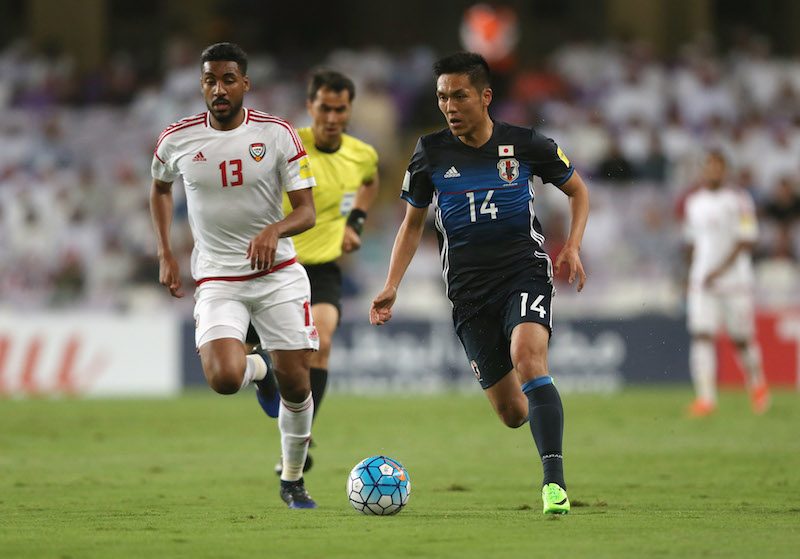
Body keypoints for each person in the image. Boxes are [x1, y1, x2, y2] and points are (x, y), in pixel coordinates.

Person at [369, 52, 589, 515]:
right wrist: (392, 284)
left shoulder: (524, 144)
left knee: (528, 357)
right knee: (512, 413)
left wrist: (571, 245)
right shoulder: (430, 152)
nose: (449, 106)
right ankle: (542, 407)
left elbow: (578, 190)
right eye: (442, 97)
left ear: (485, 96)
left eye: (459, 96)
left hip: (523, 272)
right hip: (468, 294)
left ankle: (554, 484)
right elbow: (411, 225)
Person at [149, 42, 319, 508]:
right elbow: (160, 189)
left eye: (228, 80)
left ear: (245, 83)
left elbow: (307, 212)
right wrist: (165, 252)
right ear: (201, 85)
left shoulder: (277, 134)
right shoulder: (177, 139)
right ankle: (259, 369)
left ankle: (292, 479)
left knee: (298, 385)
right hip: (219, 279)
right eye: (210, 80)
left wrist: (274, 230)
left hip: (277, 274)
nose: (219, 89)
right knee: (224, 378)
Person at [245, 70, 380, 474]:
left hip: (321, 269)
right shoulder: (287, 145)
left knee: (321, 343)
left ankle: (300, 442)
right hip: (274, 267)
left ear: (350, 110)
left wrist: (355, 223)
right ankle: (264, 374)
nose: (332, 117)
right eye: (325, 108)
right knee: (239, 357)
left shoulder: (362, 155)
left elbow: (370, 182)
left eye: (340, 109)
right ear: (310, 107)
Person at [683, 150, 769, 417]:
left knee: (741, 339)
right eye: (709, 166)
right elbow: (692, 243)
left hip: (734, 281)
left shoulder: (739, 200)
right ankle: (706, 398)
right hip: (702, 282)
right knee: (702, 335)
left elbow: (747, 239)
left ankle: (757, 384)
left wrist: (719, 270)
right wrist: (693, 272)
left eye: (718, 167)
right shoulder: (693, 202)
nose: (713, 171)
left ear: (725, 170)